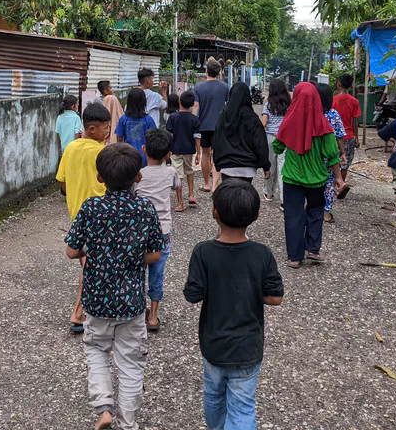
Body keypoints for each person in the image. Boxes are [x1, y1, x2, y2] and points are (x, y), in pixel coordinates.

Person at [65, 142, 164, 430]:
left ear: (100, 178)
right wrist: (132, 257)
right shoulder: (145, 209)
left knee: (96, 351)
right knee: (131, 362)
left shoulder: (91, 207)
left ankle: (103, 408)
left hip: (96, 301)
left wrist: (91, 251)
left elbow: (72, 251)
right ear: (138, 177)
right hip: (131, 303)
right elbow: (156, 253)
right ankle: (127, 422)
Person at [183, 181, 284, 430]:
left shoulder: (203, 252)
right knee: (243, 406)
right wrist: (248, 290)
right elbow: (275, 297)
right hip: (248, 346)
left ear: (214, 212)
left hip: (214, 344)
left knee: (214, 396)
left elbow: (192, 295)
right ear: (256, 215)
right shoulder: (262, 254)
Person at [273, 83, 344, 268]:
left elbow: (277, 146)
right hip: (317, 178)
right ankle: (313, 249)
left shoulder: (289, 121)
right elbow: (332, 154)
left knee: (293, 215)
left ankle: (295, 258)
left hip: (292, 177)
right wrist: (338, 177)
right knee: (315, 212)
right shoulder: (323, 124)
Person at [56, 103, 112, 331]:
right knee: (91, 265)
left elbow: (61, 180)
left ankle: (92, 305)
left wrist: (75, 193)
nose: (108, 132)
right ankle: (78, 313)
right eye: (105, 128)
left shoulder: (70, 148)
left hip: (77, 214)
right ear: (91, 129)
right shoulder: (102, 152)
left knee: (89, 262)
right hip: (101, 215)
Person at [134, 129, 181, 331]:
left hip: (139, 230)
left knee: (137, 269)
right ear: (168, 155)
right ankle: (153, 316)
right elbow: (176, 185)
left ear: (144, 150)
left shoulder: (138, 175)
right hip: (162, 230)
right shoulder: (170, 172)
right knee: (157, 272)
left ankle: (136, 311)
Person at [213, 82, 270, 185]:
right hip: (247, 167)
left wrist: (217, 162)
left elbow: (217, 140)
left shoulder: (223, 116)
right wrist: (265, 165)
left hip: (227, 165)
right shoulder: (252, 117)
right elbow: (260, 143)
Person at [193, 59, 230, 191]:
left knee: (205, 153)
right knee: (217, 155)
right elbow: (229, 105)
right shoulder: (225, 87)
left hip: (204, 125)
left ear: (206, 71)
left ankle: (206, 184)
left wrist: (193, 122)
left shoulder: (198, 87)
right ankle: (215, 185)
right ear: (218, 72)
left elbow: (196, 106)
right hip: (220, 126)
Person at [316, 83, 348, 224]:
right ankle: (326, 213)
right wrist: (343, 153)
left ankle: (311, 207)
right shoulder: (334, 114)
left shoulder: (312, 114)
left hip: (313, 155)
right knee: (329, 184)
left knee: (314, 182)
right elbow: (340, 136)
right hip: (330, 156)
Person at [166, 90, 202, 211]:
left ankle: (180, 202)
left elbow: (169, 135)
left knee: (178, 176)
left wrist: (167, 150)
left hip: (175, 150)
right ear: (192, 105)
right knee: (189, 171)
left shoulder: (173, 117)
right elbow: (197, 137)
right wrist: (199, 153)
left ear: (179, 102)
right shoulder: (194, 119)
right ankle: (191, 194)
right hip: (189, 149)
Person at [262, 78, 291, 204]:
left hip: (270, 138)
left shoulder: (268, 104)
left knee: (270, 167)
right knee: (282, 169)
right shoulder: (289, 105)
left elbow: (264, 123)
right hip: (285, 138)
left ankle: (269, 193)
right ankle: (284, 198)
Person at [332, 73, 362, 196]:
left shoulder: (333, 100)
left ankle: (332, 185)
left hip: (333, 136)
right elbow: (355, 122)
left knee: (332, 160)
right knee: (345, 162)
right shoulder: (354, 101)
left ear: (339, 85)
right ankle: (340, 185)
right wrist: (357, 137)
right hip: (348, 135)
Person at [116, 88, 158, 167]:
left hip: (128, 155)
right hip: (145, 156)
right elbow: (153, 138)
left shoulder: (123, 119)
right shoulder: (148, 120)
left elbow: (119, 139)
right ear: (143, 102)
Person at [99, 80, 124, 145]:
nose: (112, 90)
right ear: (106, 91)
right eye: (110, 88)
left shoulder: (100, 100)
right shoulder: (111, 98)